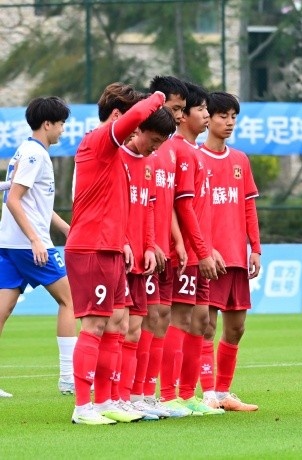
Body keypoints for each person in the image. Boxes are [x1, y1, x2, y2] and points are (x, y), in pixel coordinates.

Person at [66, 83, 166, 425]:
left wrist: (126, 239)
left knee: (117, 324)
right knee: (94, 324)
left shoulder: (119, 158)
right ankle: (82, 407)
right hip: (90, 246)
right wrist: (159, 99)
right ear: (117, 117)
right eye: (131, 124)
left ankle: (108, 401)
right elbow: (139, 114)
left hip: (109, 247)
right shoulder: (98, 140)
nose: (135, 131)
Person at [0, 96, 75, 397]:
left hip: (9, 242)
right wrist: (35, 239)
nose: (62, 131)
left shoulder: (25, 151)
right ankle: (69, 377)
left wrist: (64, 228)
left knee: (2, 310)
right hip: (28, 246)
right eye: (60, 125)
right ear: (47, 124)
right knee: (71, 300)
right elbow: (14, 199)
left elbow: (35, 203)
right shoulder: (35, 155)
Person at [157, 81, 224, 416]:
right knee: (180, 319)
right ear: (183, 117)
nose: (206, 115)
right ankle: (168, 395)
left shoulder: (194, 152)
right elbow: (176, 206)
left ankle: (187, 394)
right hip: (183, 253)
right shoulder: (176, 150)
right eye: (201, 110)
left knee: (199, 320)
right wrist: (194, 248)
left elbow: (198, 209)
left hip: (200, 250)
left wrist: (210, 247)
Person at [129, 76, 190, 418]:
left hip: (161, 247)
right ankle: (132, 392)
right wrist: (149, 242)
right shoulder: (141, 150)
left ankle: (147, 392)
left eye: (182, 110)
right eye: (175, 108)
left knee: (160, 317)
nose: (179, 116)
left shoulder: (168, 150)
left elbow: (165, 204)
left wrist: (176, 241)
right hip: (140, 248)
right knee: (141, 319)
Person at [198, 91, 260, 411]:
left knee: (236, 328)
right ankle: (208, 393)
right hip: (209, 259)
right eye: (223, 115)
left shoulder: (240, 160)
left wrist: (256, 249)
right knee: (206, 326)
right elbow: (187, 211)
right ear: (207, 118)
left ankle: (224, 393)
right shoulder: (195, 159)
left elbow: (249, 207)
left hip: (237, 257)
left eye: (234, 116)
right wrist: (205, 249)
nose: (229, 122)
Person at [116, 107, 177, 420]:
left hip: (143, 259)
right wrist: (124, 241)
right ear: (136, 129)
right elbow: (115, 210)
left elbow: (151, 209)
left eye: (161, 142)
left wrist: (152, 244)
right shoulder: (117, 160)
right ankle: (115, 397)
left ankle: (137, 395)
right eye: (153, 139)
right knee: (118, 327)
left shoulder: (150, 164)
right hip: (120, 258)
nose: (156, 147)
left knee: (137, 328)